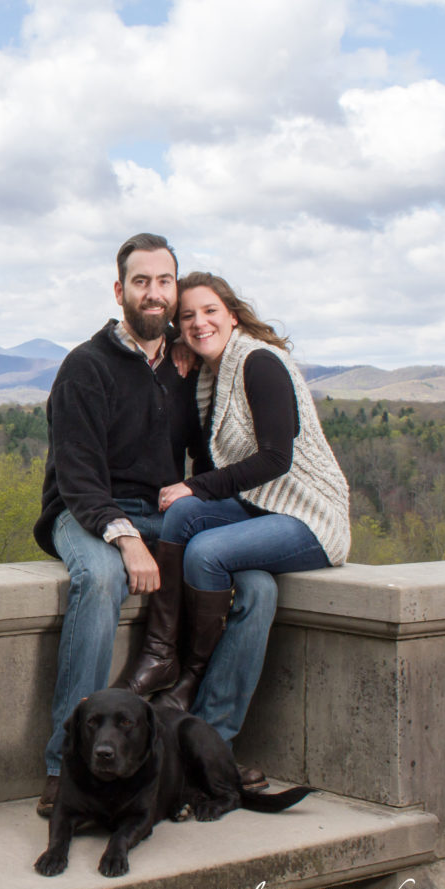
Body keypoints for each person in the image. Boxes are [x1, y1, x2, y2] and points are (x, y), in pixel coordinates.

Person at [33, 237, 278, 814]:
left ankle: (206, 748)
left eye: (164, 281)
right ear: (120, 291)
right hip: (86, 511)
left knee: (259, 589)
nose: (155, 293)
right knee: (100, 581)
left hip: (169, 514)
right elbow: (78, 477)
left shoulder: (183, 365)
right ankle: (61, 766)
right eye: (141, 281)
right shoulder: (85, 368)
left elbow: (207, 456)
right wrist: (125, 539)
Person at [125, 270, 350, 712]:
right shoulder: (213, 374)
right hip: (261, 509)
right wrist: (175, 345)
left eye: (210, 311)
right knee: (180, 516)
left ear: (232, 314)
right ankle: (161, 652)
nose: (199, 322)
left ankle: (191, 676)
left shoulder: (259, 362)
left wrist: (194, 485)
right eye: (186, 316)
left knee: (206, 551)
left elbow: (274, 460)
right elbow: (213, 459)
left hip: (309, 517)